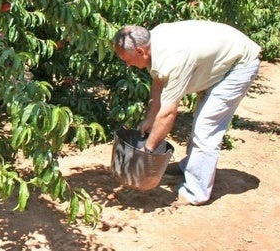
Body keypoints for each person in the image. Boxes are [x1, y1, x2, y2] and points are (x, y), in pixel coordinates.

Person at [112, 20, 261, 206]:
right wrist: (150, 118)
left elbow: (168, 113)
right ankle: (190, 166)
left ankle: (195, 192)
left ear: (141, 51)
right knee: (201, 122)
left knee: (205, 128)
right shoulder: (153, 42)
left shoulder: (173, 58)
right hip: (220, 60)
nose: (127, 65)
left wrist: (147, 151)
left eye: (128, 60)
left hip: (238, 66)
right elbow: (158, 81)